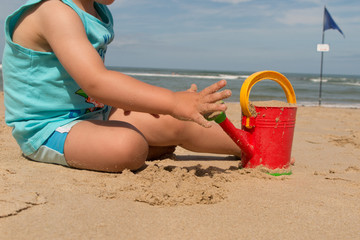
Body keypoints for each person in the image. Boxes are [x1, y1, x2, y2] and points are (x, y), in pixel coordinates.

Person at [2, 0, 241, 173]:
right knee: (129, 146)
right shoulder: (54, 11)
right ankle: (142, 143)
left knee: (180, 120)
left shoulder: (97, 10)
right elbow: (95, 81)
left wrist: (176, 107)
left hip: (97, 112)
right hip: (48, 127)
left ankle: (250, 147)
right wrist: (172, 100)